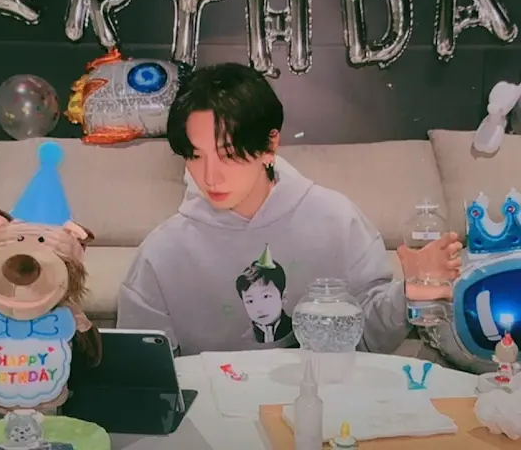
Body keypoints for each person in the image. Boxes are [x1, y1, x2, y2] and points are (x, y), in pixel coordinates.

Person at [117, 62, 462, 356]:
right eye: (195, 156)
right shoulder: (160, 254)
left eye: (228, 154)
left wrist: (408, 294)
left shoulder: (337, 221)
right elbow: (143, 373)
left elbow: (368, 338)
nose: (209, 176)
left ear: (269, 145)